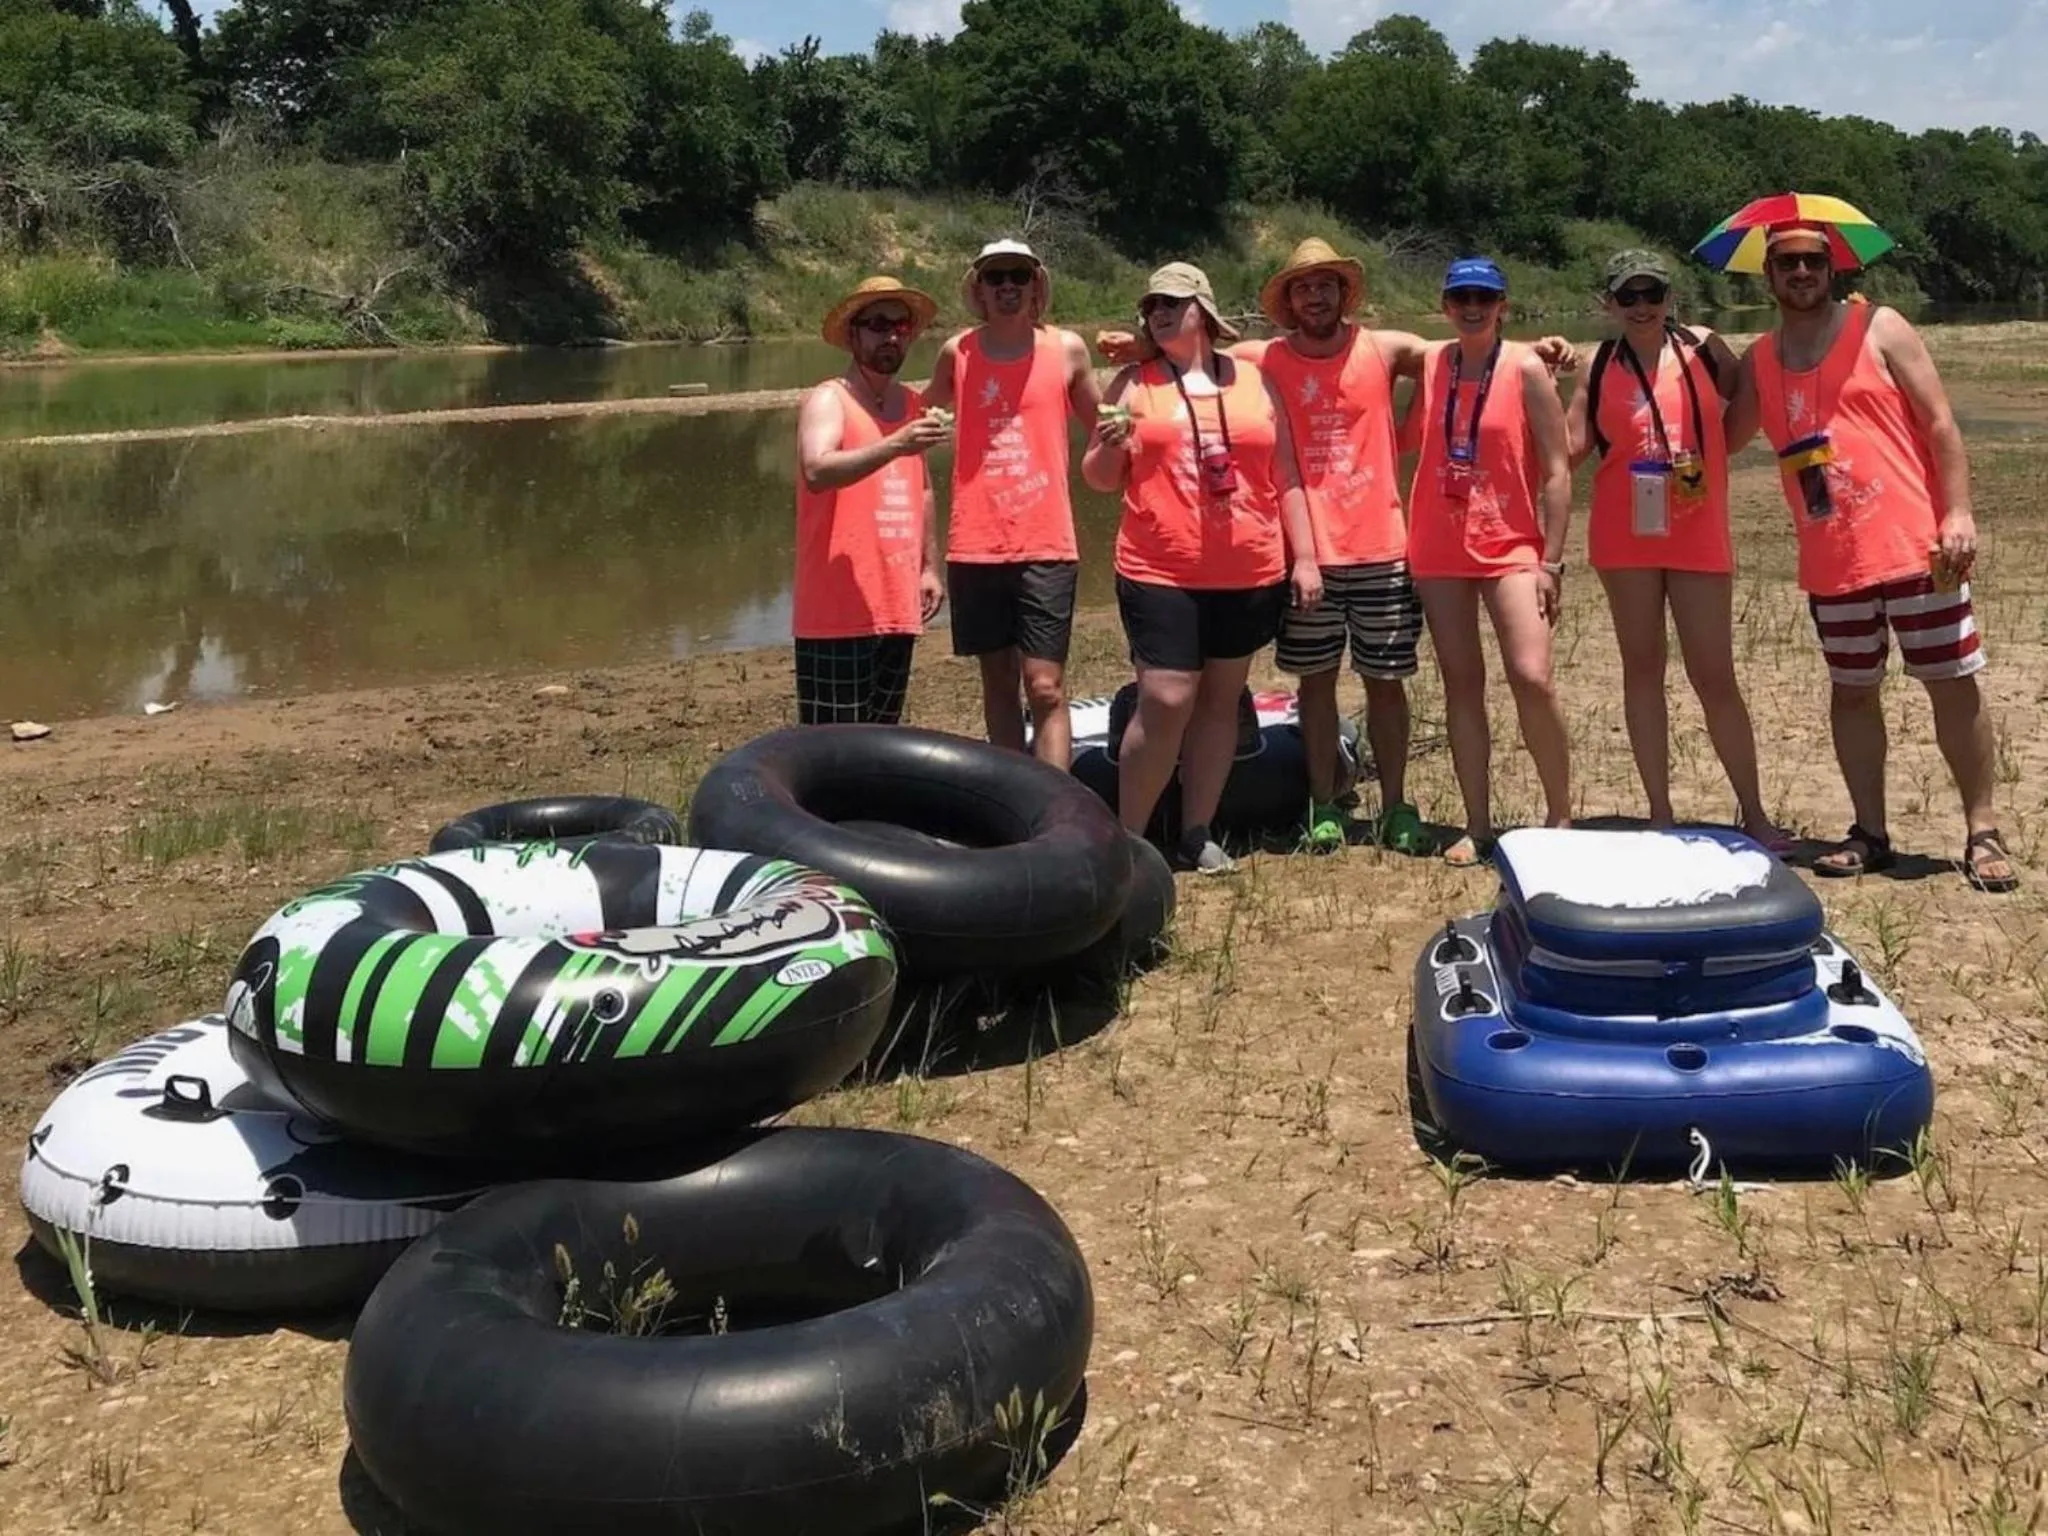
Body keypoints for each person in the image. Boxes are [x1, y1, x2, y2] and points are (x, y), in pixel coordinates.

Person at [1095, 239, 1578, 855]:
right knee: (1315, 685)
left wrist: (1541, 348)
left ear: (1344, 294)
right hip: (1308, 554)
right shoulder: (1260, 357)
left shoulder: (1384, 348)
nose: (1315, 295)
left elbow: (1467, 349)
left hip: (1383, 546)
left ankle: (1397, 804)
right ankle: (1324, 803)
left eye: (1326, 285)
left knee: (1386, 682)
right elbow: (1192, 348)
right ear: (1289, 301)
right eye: (1302, 287)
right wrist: (1142, 346)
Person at [1725, 222, 2017, 891]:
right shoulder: (1760, 361)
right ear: (1766, 276)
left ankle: (1982, 828)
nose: (1801, 272)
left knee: (1952, 682)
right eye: (1786, 262)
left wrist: (1959, 512)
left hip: (1915, 544)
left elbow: (1940, 421)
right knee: (1853, 693)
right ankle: (1870, 832)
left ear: (1833, 269)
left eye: (1812, 260)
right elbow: (1729, 436)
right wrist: (1695, 358)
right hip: (1834, 560)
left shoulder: (1880, 327)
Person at [1080, 261, 1324, 875]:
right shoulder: (1134, 384)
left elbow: (1287, 476)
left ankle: (1196, 831)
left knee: (1220, 701)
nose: (1159, 312)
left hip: (1249, 569)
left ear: (1205, 312)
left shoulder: (1256, 381)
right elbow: (1099, 480)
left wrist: (1307, 557)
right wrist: (1108, 449)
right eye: (1152, 306)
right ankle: (1129, 842)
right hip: (1160, 568)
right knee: (1165, 698)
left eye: (1173, 303)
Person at [1564, 249, 1785, 849]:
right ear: (1608, 304)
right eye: (1627, 296)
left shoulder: (1706, 348)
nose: (1641, 307)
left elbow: (1748, 409)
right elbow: (1570, 448)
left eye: (1651, 294)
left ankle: (1756, 814)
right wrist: (1530, 381)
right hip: (1623, 535)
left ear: (1670, 299)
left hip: (1697, 529)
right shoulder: (1598, 363)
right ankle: (1659, 813)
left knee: (1715, 676)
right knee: (1643, 670)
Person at [1399, 257, 1574, 866]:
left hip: (1511, 544)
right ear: (1445, 305)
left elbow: (1557, 469)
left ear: (1503, 305)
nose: (1472, 306)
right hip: (1437, 545)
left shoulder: (1526, 367)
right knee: (1461, 683)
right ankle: (1476, 824)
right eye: (1461, 296)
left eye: (1485, 296)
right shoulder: (1431, 362)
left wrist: (1552, 561)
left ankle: (1559, 815)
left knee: (1531, 675)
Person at [919, 240, 1100, 768]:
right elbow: (920, 414)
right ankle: (1015, 799)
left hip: (1047, 541)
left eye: (1017, 277)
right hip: (975, 544)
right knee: (998, 681)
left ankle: (1057, 808)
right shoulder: (959, 352)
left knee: (1044, 685)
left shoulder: (1067, 349)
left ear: (1035, 284)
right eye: (995, 277)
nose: (1006, 287)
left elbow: (1103, 429)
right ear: (978, 287)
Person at [791, 275, 949, 725]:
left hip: (896, 600)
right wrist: (895, 444)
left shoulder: (913, 404)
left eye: (901, 326)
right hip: (836, 607)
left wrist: (929, 566)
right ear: (854, 334)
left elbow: (921, 487)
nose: (892, 335)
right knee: (833, 751)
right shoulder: (830, 399)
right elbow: (817, 470)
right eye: (879, 324)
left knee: (882, 746)